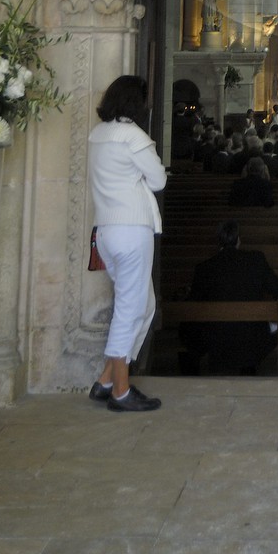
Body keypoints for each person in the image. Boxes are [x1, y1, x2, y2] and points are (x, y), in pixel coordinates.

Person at [87, 74, 166, 413]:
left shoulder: (98, 134)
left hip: (106, 230)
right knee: (129, 308)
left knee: (143, 304)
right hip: (132, 229)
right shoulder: (133, 137)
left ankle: (105, 380)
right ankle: (121, 390)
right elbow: (159, 179)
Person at [182, 219, 278, 374]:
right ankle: (247, 366)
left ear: (218, 242)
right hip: (252, 337)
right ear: (239, 240)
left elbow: (193, 306)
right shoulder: (256, 260)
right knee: (267, 330)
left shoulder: (204, 268)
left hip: (216, 338)